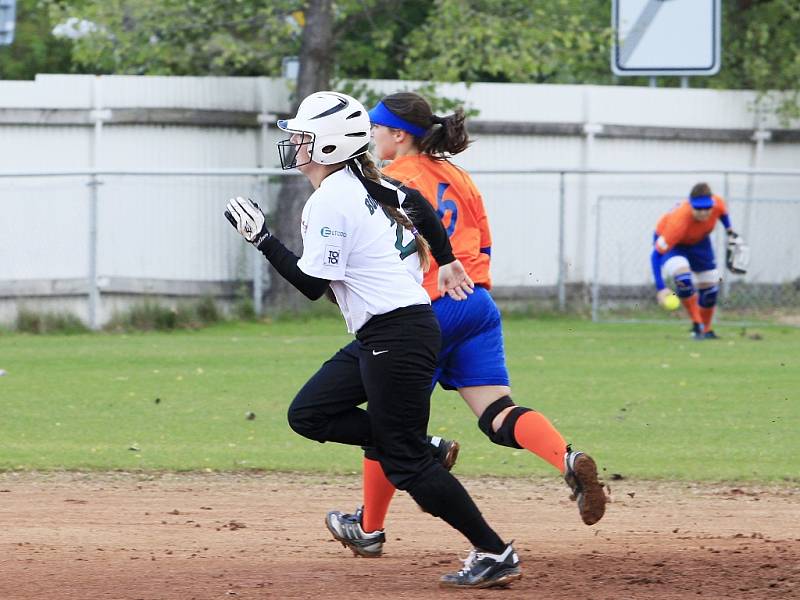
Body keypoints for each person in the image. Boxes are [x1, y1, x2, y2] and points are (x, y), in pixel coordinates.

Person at [225, 91, 521, 589]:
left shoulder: (332, 198)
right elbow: (422, 209)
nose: (294, 145)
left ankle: (494, 551)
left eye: (302, 138)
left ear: (327, 147)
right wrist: (447, 260)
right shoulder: (369, 181)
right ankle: (419, 444)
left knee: (405, 464)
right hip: (389, 329)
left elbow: (313, 286)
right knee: (309, 414)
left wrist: (261, 238)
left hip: (397, 333)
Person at [324, 91, 607, 563]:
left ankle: (369, 528)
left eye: (376, 128)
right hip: (475, 301)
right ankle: (566, 458)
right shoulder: (459, 176)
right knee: (498, 411)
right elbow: (487, 245)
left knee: (388, 418)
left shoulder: (388, 180)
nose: (371, 136)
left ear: (399, 135)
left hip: (426, 308)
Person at [651, 182, 738, 339]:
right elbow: (655, 255)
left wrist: (730, 231)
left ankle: (707, 330)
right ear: (690, 205)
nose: (704, 212)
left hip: (699, 242)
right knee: (684, 280)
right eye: (698, 208)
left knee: (710, 290)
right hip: (675, 245)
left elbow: (723, 214)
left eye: (707, 207)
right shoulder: (678, 223)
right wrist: (661, 288)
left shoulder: (717, 203)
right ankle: (697, 325)